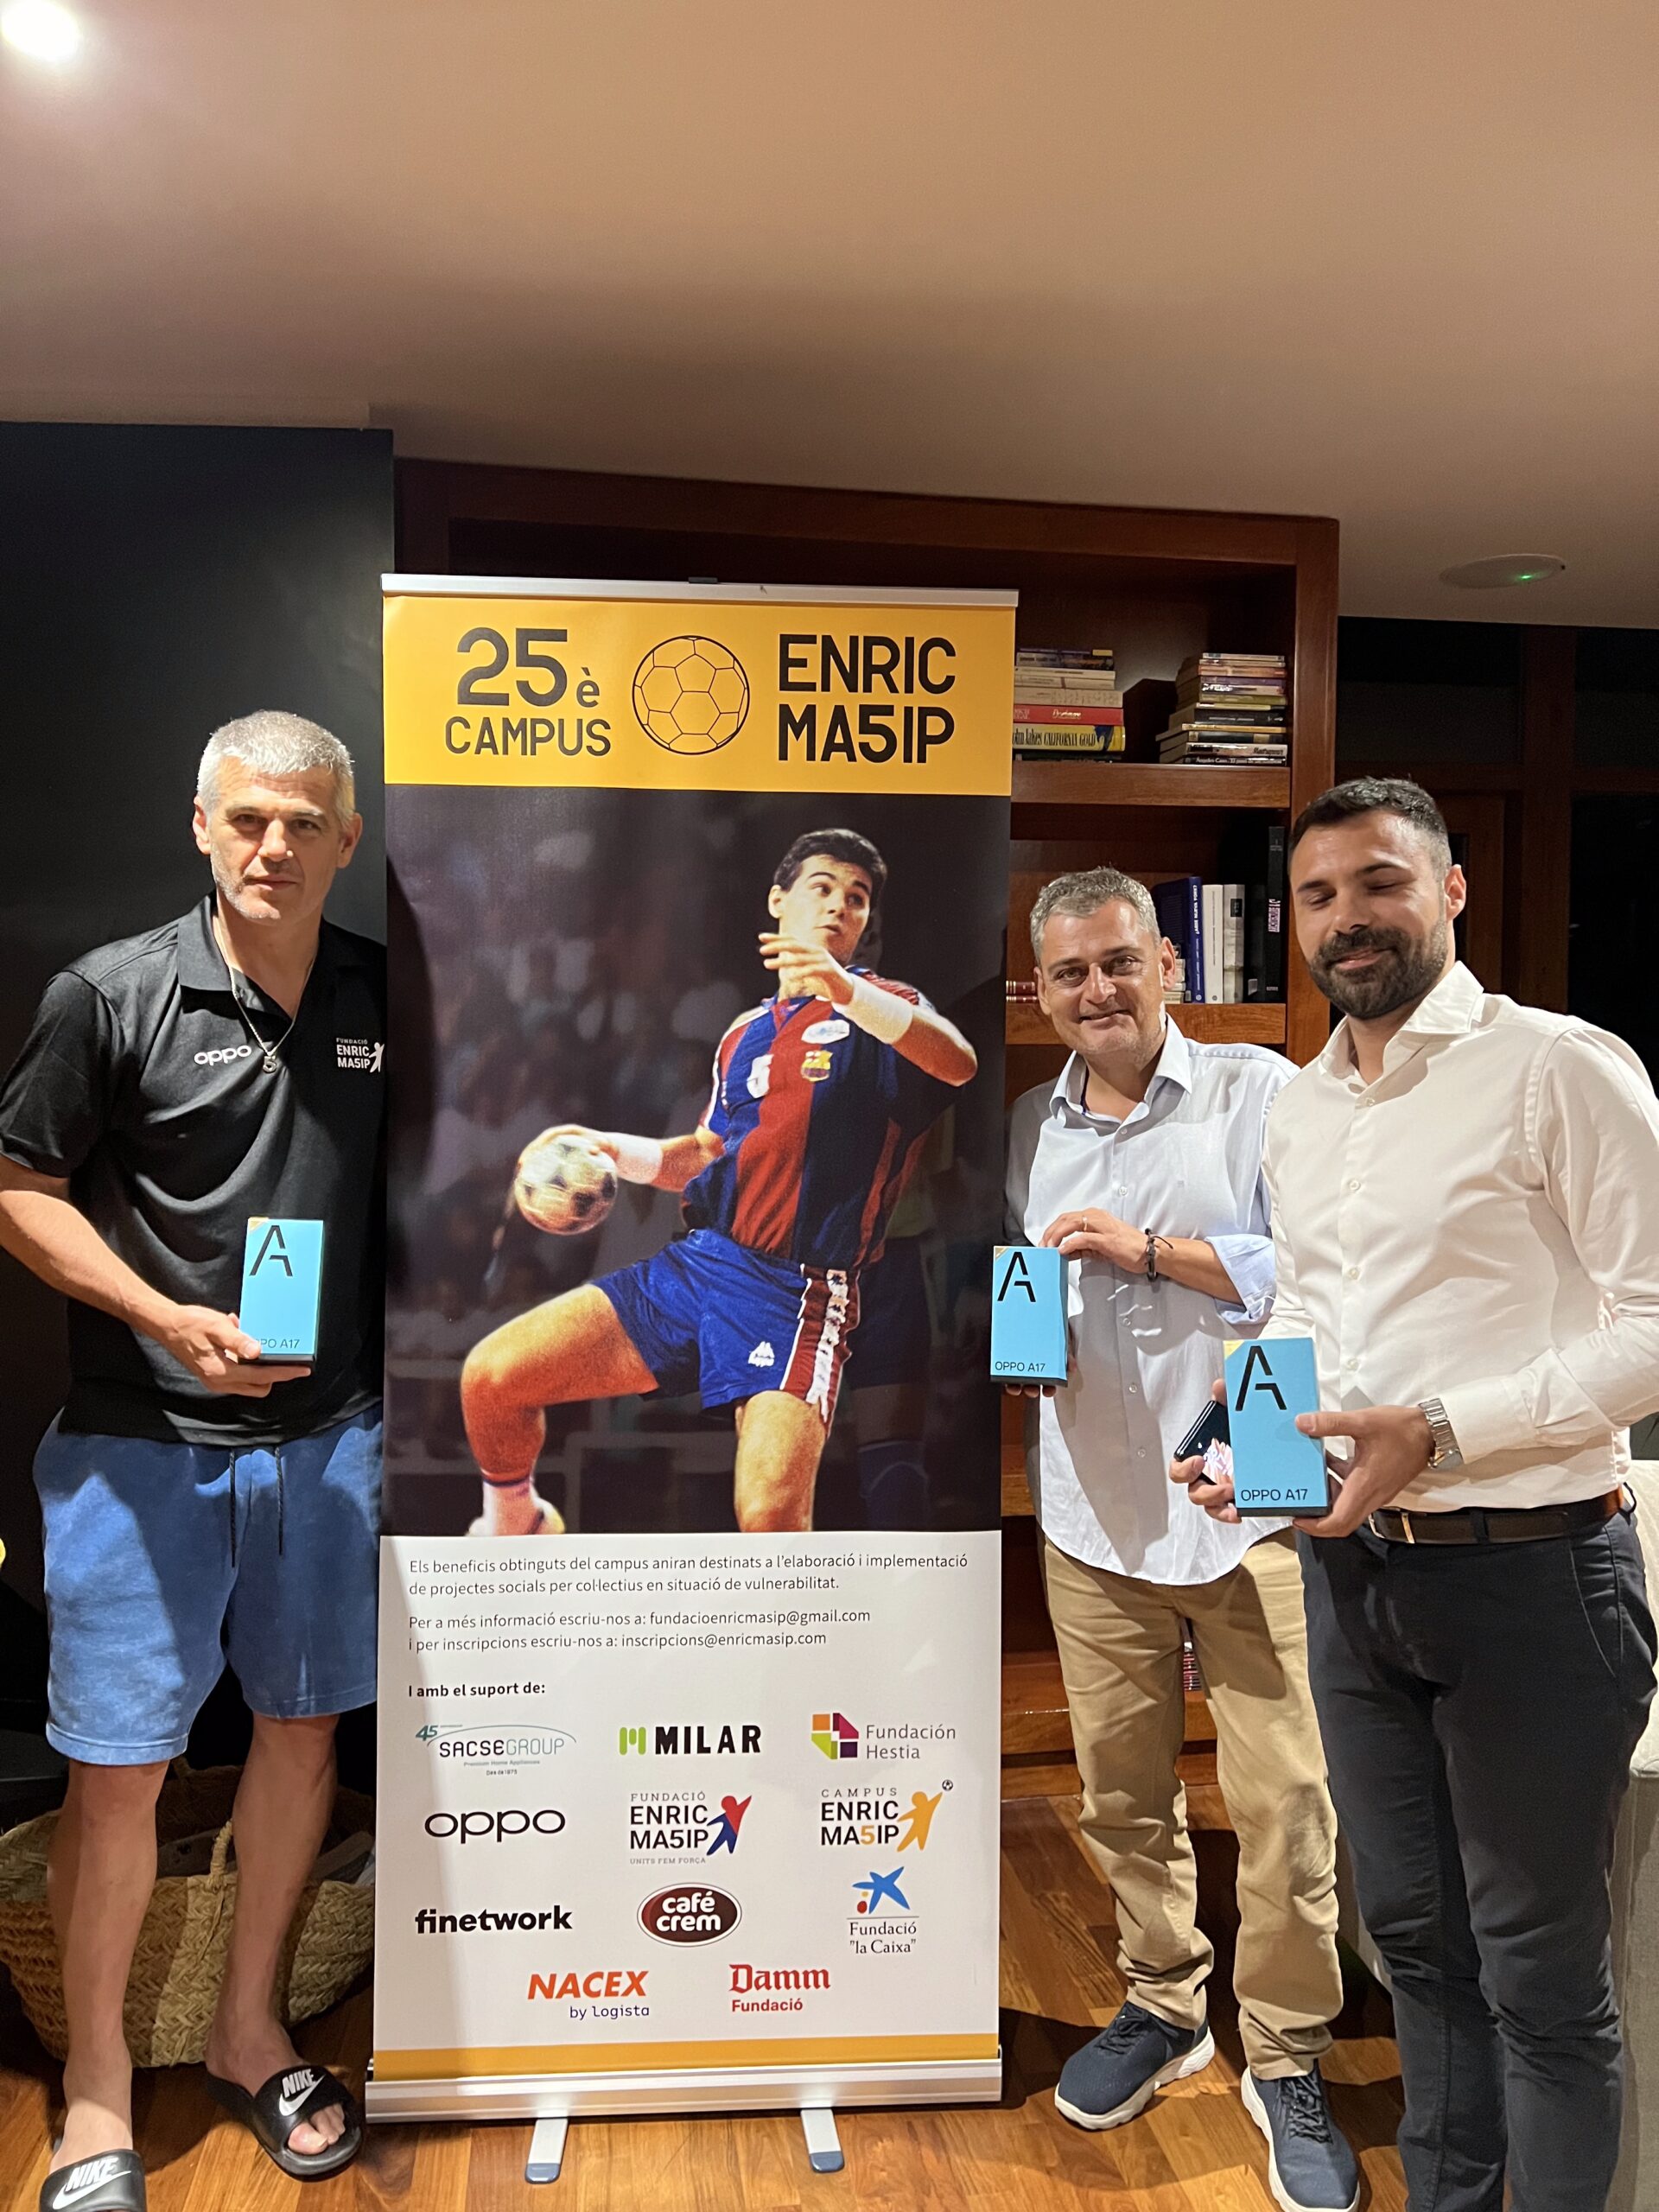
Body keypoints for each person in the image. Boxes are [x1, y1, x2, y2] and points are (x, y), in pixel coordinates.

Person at [1179, 777, 1659, 2212]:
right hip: (1355, 1579)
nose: (1350, 918)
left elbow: (1653, 1325)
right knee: (1417, 1952)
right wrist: (1247, 1438)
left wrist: (1442, 1432)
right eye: (1319, 896)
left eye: (1381, 883)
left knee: (1539, 1979)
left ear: (1450, 889)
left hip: (1535, 1581)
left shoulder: (1559, 1067)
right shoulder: (1304, 1105)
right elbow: (1307, 1317)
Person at [0, 713, 385, 2211]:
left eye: (303, 822)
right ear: (202, 827)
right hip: (139, 1445)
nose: (273, 846)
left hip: (332, 1442)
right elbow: (18, 1186)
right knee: (117, 1774)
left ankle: (246, 2032)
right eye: (247, 819)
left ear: (346, 838)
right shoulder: (111, 993)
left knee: (300, 1735)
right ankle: (97, 2088)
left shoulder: (384, 993)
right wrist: (165, 1317)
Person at [1007, 867, 1359, 2212]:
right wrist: (1023, 1347)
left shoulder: (1261, 1091)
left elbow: (1320, 1269)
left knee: (1288, 1801)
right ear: (1042, 993)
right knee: (1120, 1792)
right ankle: (1163, 2001)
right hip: (1090, 1509)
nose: (1097, 991)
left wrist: (1151, 1250)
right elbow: (1026, 1286)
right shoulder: (1026, 1124)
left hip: (1247, 1505)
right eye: (1070, 973)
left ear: (1170, 965)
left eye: (1119, 962)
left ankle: (1289, 2052)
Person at [460, 828, 976, 1536]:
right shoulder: (744, 1033)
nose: (839, 906)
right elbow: (706, 1152)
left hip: (797, 1292)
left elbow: (958, 1063)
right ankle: (518, 1527)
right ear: (778, 901)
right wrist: (610, 1147)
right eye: (823, 887)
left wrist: (846, 990)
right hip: (700, 1268)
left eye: (857, 899)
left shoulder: (885, 1007)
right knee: (491, 1379)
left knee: (769, 1517)